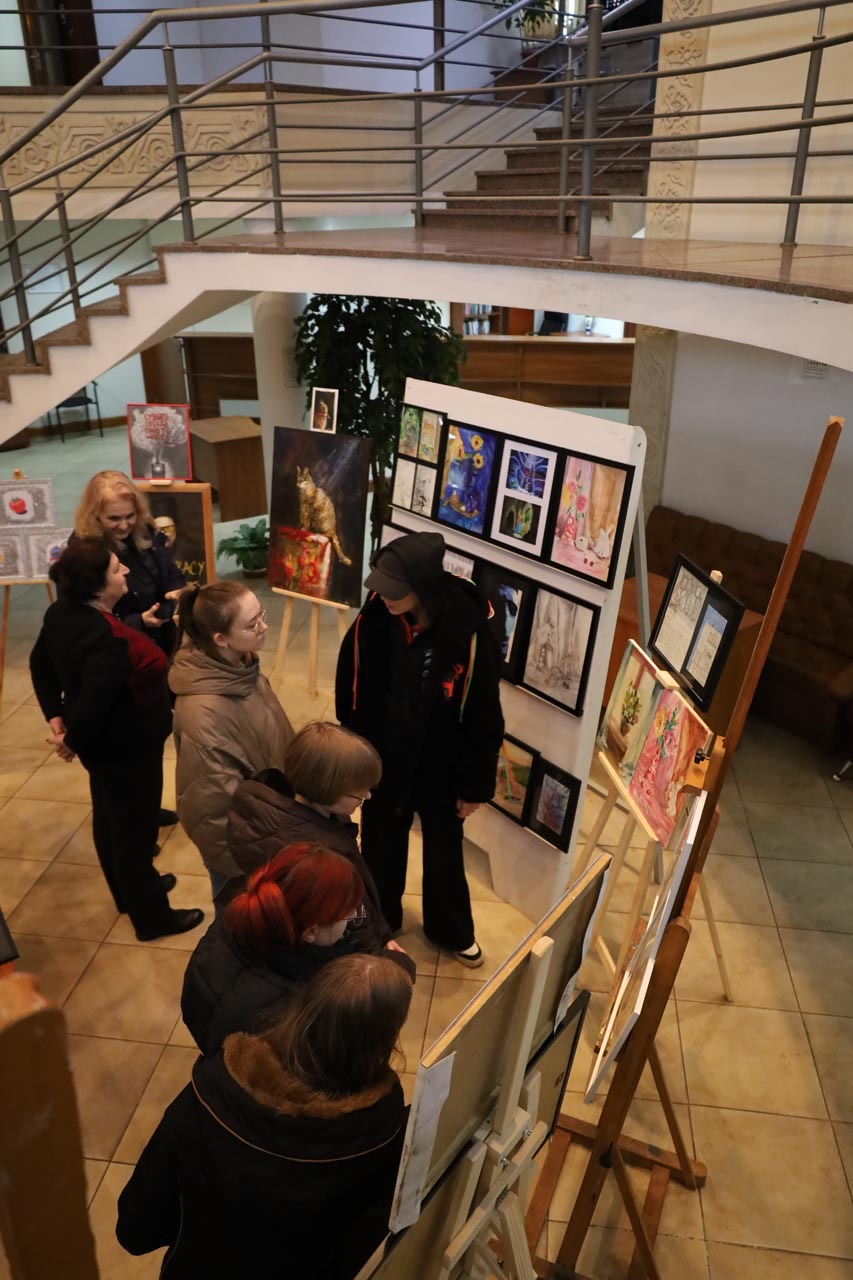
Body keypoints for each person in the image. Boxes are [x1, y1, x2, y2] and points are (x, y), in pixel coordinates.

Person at [116, 953, 412, 1278]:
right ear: (381, 1042)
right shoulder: (382, 1129)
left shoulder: (214, 1089)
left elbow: (136, 1226)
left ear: (305, 1007)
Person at [336, 530, 504, 969]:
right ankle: (380, 922)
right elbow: (351, 687)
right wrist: (355, 755)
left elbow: (483, 714)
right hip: (384, 758)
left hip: (442, 765)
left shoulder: (468, 630)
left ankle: (451, 930)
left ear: (423, 587)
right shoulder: (375, 618)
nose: (385, 597)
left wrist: (474, 786)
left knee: (445, 850)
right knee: (379, 843)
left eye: (396, 590)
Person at [29, 539, 204, 942]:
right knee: (134, 835)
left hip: (104, 747)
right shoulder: (107, 640)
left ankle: (129, 895)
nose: (125, 570)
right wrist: (70, 739)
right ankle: (153, 918)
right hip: (126, 749)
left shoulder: (61, 612)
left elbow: (40, 665)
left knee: (110, 820)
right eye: (115, 568)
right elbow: (95, 702)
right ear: (95, 585)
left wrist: (56, 717)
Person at [227, 720, 414, 976]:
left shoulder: (316, 816)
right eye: (358, 794)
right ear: (327, 790)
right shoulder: (314, 858)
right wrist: (378, 957)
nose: (367, 797)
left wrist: (382, 933)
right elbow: (344, 920)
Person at [181, 841, 382, 1054]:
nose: (353, 915)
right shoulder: (307, 1005)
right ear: (311, 933)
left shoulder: (228, 927)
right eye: (347, 912)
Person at [170, 581, 294, 900]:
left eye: (261, 615)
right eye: (252, 624)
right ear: (220, 639)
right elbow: (214, 812)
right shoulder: (204, 713)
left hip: (271, 831)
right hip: (245, 859)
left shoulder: (241, 668)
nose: (264, 626)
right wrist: (251, 870)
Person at [73, 470, 186, 658]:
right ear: (95, 515)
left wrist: (174, 590)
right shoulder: (83, 553)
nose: (124, 525)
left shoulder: (147, 530)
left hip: (164, 642)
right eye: (114, 519)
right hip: (119, 651)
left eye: (130, 515)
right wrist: (139, 621)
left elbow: (171, 572)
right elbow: (83, 619)